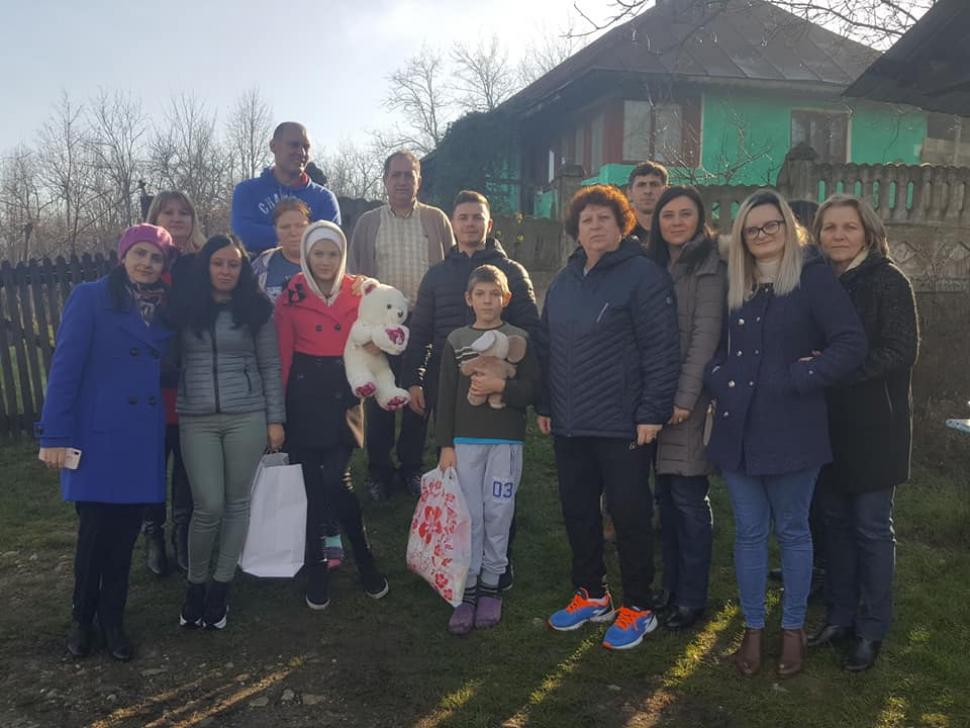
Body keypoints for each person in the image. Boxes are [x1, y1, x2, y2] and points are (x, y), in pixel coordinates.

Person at [704, 189, 867, 678]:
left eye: (771, 225)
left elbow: (851, 343)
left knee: (793, 531)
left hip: (795, 428)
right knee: (750, 533)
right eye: (752, 229)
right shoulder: (738, 281)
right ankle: (754, 628)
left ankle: (792, 628)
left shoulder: (812, 277)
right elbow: (715, 346)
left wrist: (801, 377)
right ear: (741, 236)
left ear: (788, 226)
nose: (762, 235)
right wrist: (718, 377)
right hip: (737, 430)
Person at [537, 184, 681, 651]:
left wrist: (652, 411)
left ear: (623, 226)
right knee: (578, 511)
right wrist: (546, 404)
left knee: (630, 514)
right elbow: (546, 346)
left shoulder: (643, 276)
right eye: (587, 220)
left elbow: (662, 349)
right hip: (570, 422)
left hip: (623, 422)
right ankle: (592, 594)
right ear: (576, 231)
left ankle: (639, 605)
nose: (595, 226)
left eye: (604, 218)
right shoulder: (565, 280)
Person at [37, 224, 176, 661]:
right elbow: (65, 369)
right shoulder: (90, 297)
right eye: (140, 253)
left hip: (140, 439)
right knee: (94, 536)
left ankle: (113, 620)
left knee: (125, 539)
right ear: (123, 256)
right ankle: (82, 618)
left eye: (156, 257)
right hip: (98, 438)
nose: (146, 264)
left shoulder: (165, 310)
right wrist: (55, 435)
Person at [402, 190, 540, 589]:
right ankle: (460, 557)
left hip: (501, 396)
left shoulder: (511, 272)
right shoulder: (437, 275)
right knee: (459, 482)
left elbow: (532, 331)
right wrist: (414, 378)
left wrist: (516, 382)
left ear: (488, 223)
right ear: (453, 224)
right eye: (462, 217)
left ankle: (499, 562)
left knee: (500, 493)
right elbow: (421, 332)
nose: (469, 224)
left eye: (476, 217)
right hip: (449, 388)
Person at [807, 194, 919, 672]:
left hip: (877, 424)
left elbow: (901, 349)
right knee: (833, 522)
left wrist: (836, 371)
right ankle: (839, 616)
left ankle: (871, 629)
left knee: (871, 527)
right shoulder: (817, 281)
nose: (838, 235)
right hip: (826, 423)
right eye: (829, 227)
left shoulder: (887, 280)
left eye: (848, 227)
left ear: (868, 232)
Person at [166, 235, 285, 631]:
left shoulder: (256, 309)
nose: (225, 271)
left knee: (237, 503)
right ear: (206, 266)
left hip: (246, 416)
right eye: (218, 263)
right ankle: (195, 584)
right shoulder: (186, 308)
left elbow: (270, 366)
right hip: (196, 417)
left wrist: (275, 419)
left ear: (242, 268)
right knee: (208, 506)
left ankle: (220, 586)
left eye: (233, 264)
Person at [274, 221, 390, 609]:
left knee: (335, 479)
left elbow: (385, 321)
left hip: (344, 393)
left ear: (343, 256)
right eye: (318, 253)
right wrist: (277, 412)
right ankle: (316, 567)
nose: (325, 261)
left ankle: (364, 557)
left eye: (333, 254)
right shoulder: (291, 295)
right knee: (310, 487)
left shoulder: (361, 290)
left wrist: (376, 348)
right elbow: (283, 355)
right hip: (303, 396)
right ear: (307, 256)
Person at [435, 265, 539, 634]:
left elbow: (531, 390)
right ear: (469, 299)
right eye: (480, 294)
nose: (488, 301)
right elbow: (445, 396)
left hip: (505, 442)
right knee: (470, 516)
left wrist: (502, 388)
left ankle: (492, 585)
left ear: (506, 298)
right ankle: (467, 589)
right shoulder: (456, 340)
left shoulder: (519, 339)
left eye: (495, 294)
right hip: (465, 443)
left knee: (498, 512)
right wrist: (445, 444)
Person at [347, 150, 455, 500]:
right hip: (380, 330)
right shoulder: (368, 223)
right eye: (396, 175)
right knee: (380, 401)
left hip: (422, 326)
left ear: (419, 181)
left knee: (416, 400)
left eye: (409, 175)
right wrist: (365, 330)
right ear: (385, 181)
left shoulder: (436, 220)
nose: (403, 181)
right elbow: (355, 280)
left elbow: (451, 270)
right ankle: (379, 471)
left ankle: (411, 467)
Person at [645, 186, 726, 631]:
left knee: (689, 499)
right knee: (666, 497)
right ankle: (671, 588)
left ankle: (692, 598)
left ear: (699, 219)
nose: (676, 222)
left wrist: (683, 398)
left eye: (685, 214)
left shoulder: (709, 267)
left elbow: (704, 339)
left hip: (689, 403)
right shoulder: (658, 265)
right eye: (668, 215)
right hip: (658, 399)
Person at [140, 191, 206, 576]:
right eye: (168, 212)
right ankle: (153, 533)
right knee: (151, 464)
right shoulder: (144, 263)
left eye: (184, 212)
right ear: (155, 218)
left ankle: (183, 533)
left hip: (190, 380)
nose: (177, 218)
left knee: (186, 465)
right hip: (150, 383)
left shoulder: (200, 264)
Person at [230, 122, 340, 254]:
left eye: (306, 147)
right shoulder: (247, 191)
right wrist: (303, 235)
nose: (301, 152)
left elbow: (328, 243)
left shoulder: (324, 198)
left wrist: (267, 234)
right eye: (294, 145)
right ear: (273, 146)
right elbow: (242, 236)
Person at [251, 198, 311, 303]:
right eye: (285, 227)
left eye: (300, 226)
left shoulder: (327, 261)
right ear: (275, 230)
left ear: (310, 227)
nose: (293, 233)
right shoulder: (263, 264)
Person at [627, 161, 669, 244]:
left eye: (654, 184)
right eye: (641, 185)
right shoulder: (620, 233)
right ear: (630, 193)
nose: (648, 191)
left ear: (666, 191)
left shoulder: (676, 230)